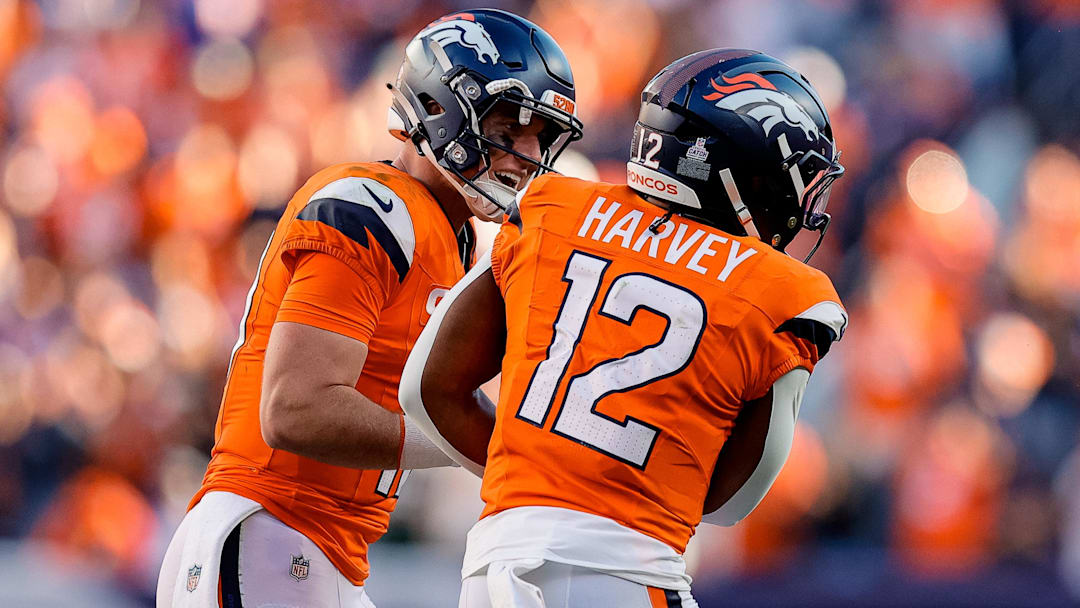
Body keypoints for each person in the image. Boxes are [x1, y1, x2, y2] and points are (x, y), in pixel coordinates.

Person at [156, 9, 583, 608]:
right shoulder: (371, 206)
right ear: (439, 108)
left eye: (540, 136)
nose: (527, 155)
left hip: (316, 549)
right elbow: (295, 409)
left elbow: (450, 400)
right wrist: (483, 443)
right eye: (508, 131)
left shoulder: (452, 238)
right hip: (271, 525)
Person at [399, 48, 848, 608]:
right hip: (626, 568)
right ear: (745, 171)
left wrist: (545, 475)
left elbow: (426, 388)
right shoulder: (785, 292)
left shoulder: (550, 206)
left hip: (495, 561)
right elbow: (731, 503)